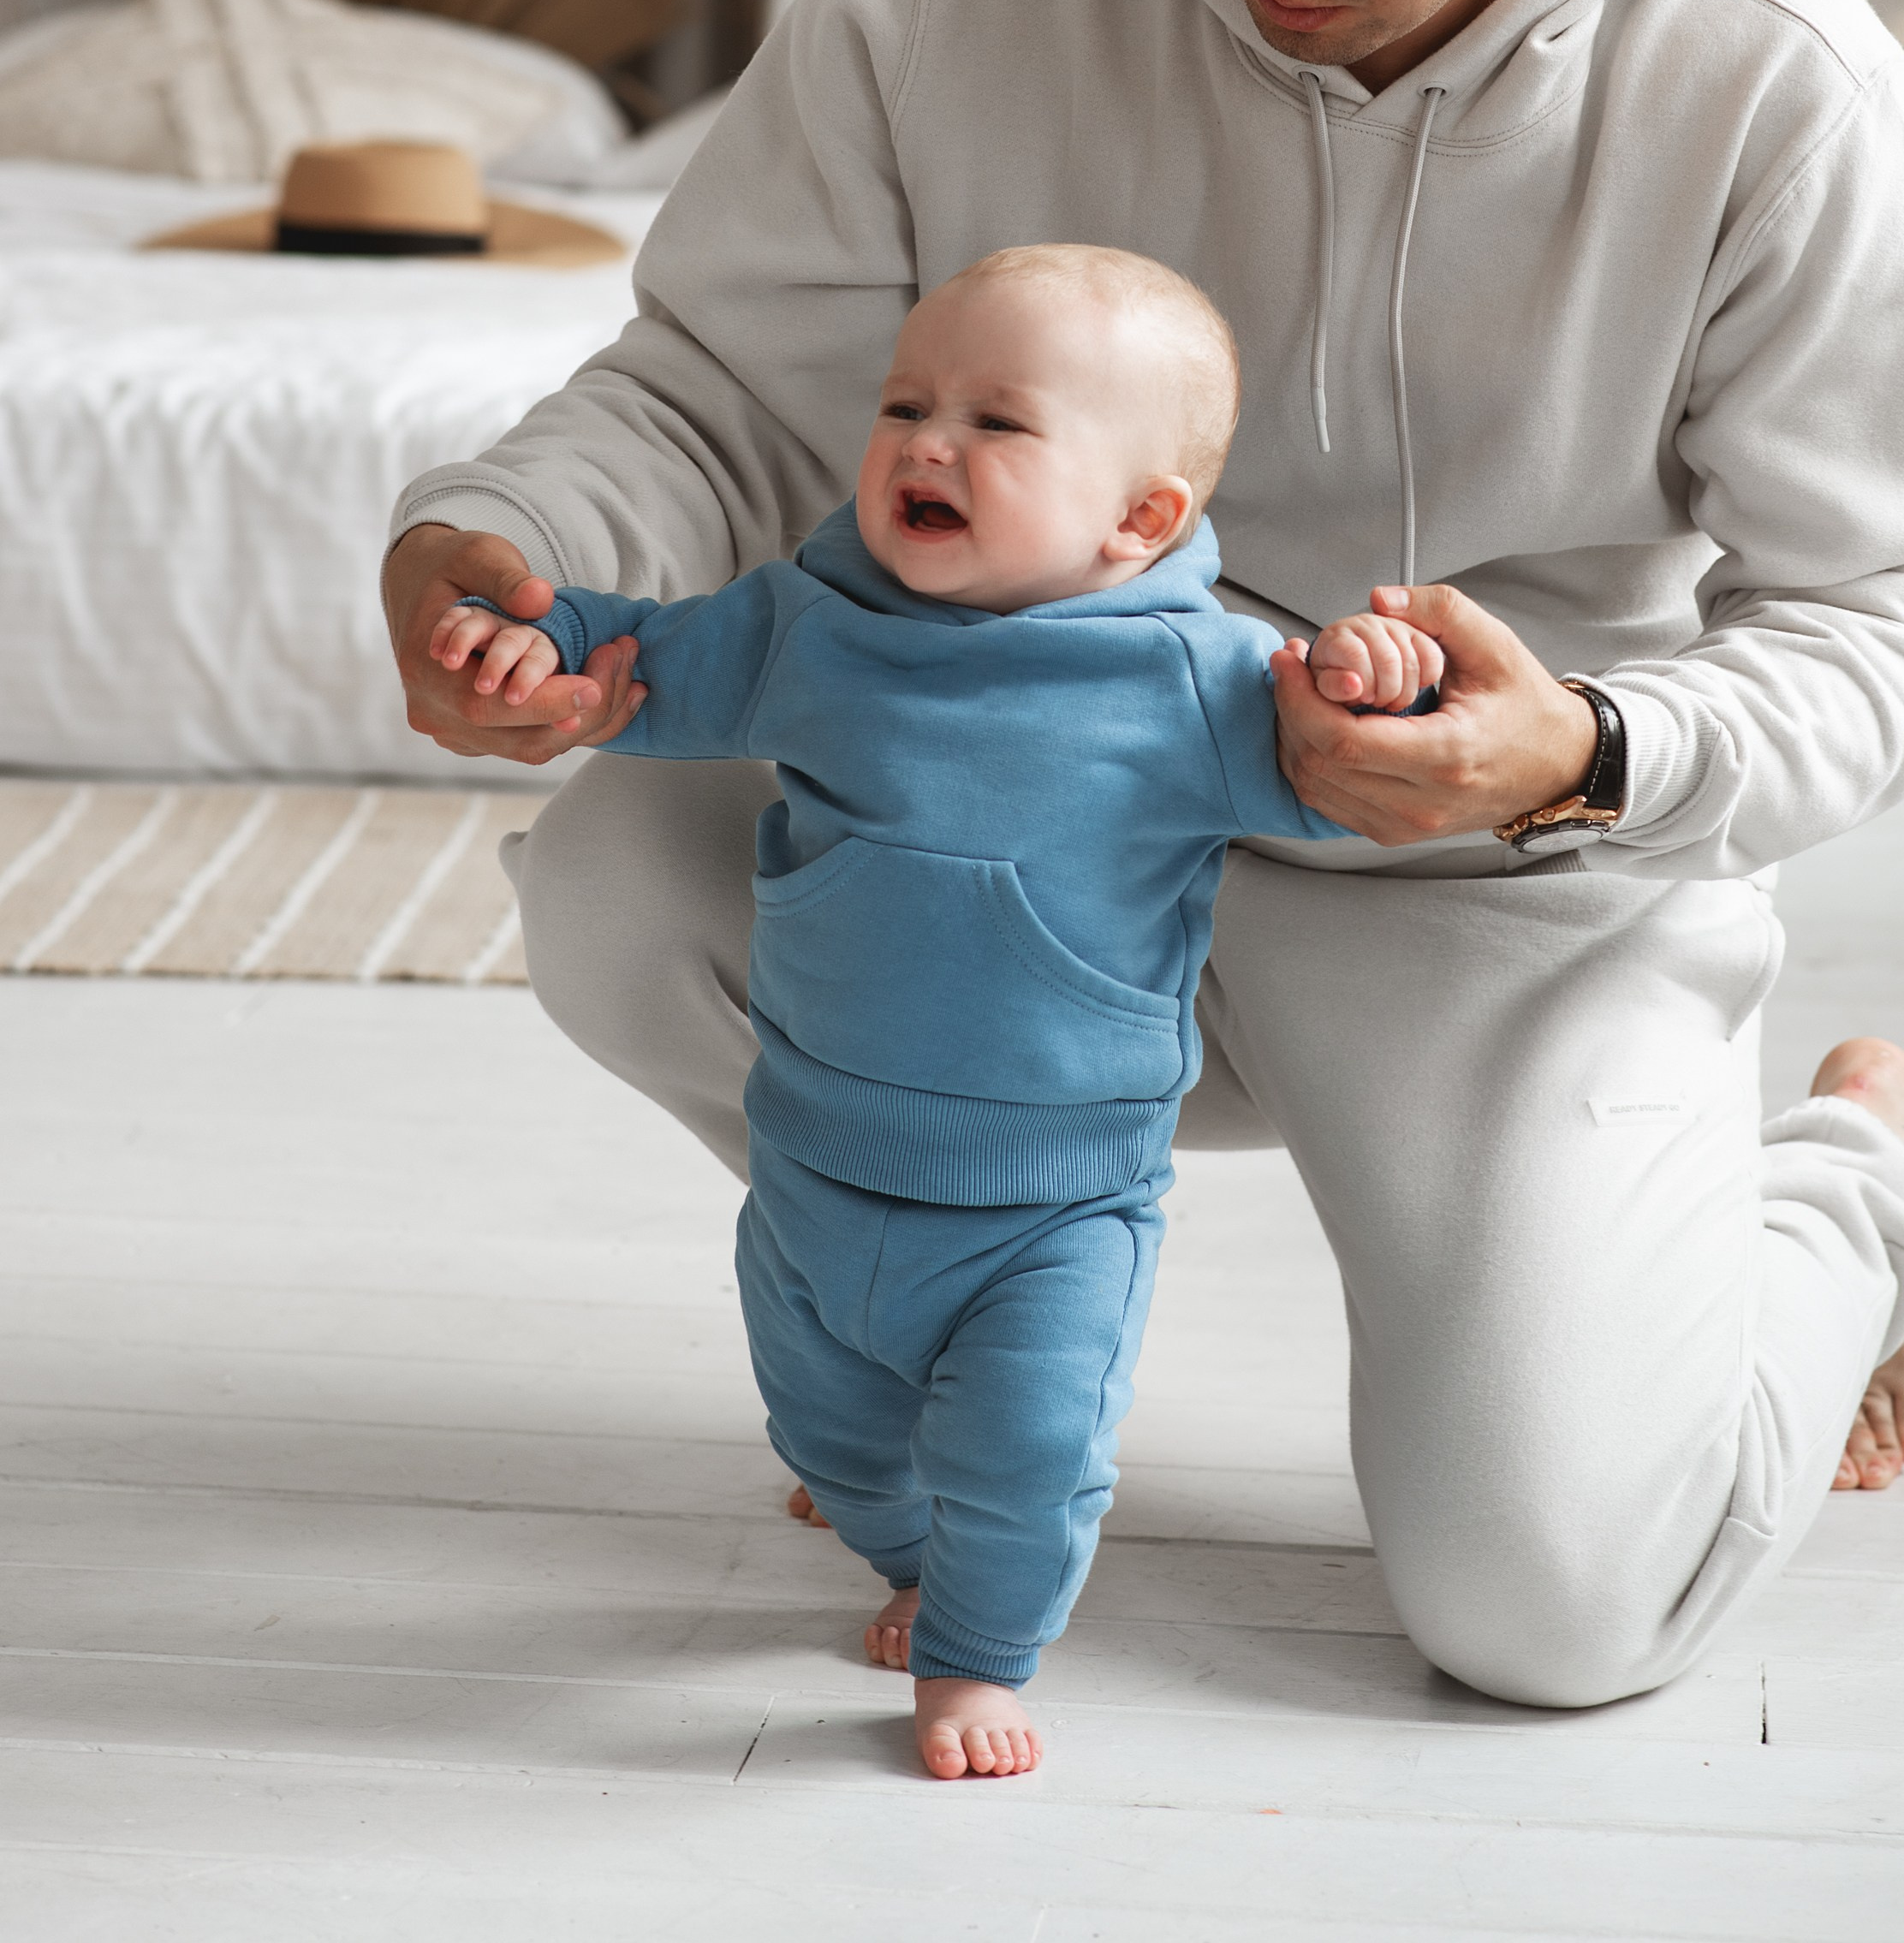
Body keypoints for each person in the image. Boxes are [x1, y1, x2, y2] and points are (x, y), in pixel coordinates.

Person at [384, 0, 1904, 1712]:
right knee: (622, 886)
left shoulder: (1766, 78)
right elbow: (714, 394)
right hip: (1013, 832)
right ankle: (937, 1300)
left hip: (1490, 884)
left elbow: (1893, 615)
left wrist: (1581, 756)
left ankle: (1846, 1175)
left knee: (1545, 1614)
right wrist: (498, 547)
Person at [426, 241, 1440, 1778]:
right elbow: (641, 656)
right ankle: (900, 1545)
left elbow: (1358, 775)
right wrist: (537, 640)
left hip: (1053, 1201)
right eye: (906, 404)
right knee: (824, 1433)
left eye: (997, 422)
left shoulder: (1198, 683)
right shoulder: (811, 628)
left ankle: (974, 1655)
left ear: (1139, 520)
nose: (925, 442)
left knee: (1025, 1455)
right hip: (815, 1162)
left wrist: (1384, 685)